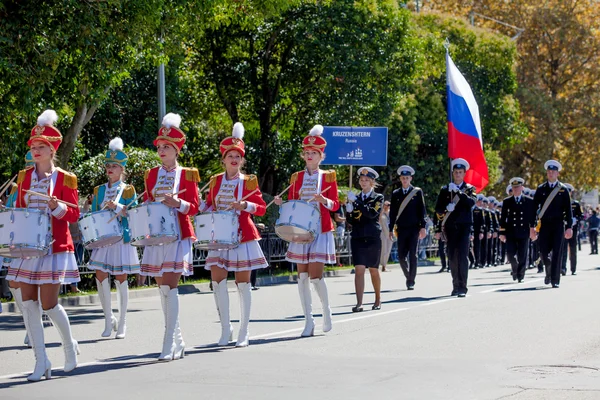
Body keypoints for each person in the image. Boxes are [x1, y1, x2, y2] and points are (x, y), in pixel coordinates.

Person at [6, 110, 80, 381]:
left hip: (54, 247)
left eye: (41, 147)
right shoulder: (23, 178)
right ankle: (42, 361)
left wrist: (56, 206)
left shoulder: (65, 179)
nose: (36, 151)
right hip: (27, 249)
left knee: (48, 304)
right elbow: (19, 210)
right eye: (33, 147)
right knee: (28, 304)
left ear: (52, 150)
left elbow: (73, 214)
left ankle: (69, 345)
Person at [201, 122, 268, 348]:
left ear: (242, 160)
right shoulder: (214, 181)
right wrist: (203, 208)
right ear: (223, 159)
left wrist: (245, 205)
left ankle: (244, 330)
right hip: (218, 238)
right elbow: (210, 204)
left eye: (237, 156)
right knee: (218, 283)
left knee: (242, 284)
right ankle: (225, 328)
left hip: (242, 236)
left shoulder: (249, 181)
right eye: (229, 155)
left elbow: (261, 208)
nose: (233, 159)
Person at [140, 113, 199, 360]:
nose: (162, 150)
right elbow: (146, 200)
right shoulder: (151, 174)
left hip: (177, 234)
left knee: (170, 286)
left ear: (176, 150)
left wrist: (178, 203)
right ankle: (178, 340)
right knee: (161, 288)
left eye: (167, 147)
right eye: (160, 147)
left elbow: (195, 206)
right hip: (156, 235)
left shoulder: (188, 174)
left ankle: (168, 343)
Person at [274, 124, 339, 337]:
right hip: (300, 229)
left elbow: (336, 205)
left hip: (320, 228)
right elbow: (292, 202)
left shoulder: (329, 176)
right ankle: (308, 321)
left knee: (315, 276)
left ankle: (326, 312)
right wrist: (280, 202)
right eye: (307, 153)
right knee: (301, 277)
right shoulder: (296, 177)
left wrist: (324, 200)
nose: (310, 156)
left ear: (322, 156)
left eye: (314, 153)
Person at [87, 138, 140, 339]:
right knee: (100, 276)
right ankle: (109, 319)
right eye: (108, 166)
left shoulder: (128, 190)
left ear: (121, 169)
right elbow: (93, 213)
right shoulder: (99, 190)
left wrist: (116, 207)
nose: (110, 169)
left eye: (114, 166)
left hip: (121, 238)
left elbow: (133, 213)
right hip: (103, 239)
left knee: (121, 278)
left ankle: (123, 322)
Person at [434, 158, 476, 297]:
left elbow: (471, 203)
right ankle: (455, 285)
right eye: (456, 172)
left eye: (460, 172)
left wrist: (458, 193)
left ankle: (463, 287)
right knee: (452, 256)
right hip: (450, 226)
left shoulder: (470, 189)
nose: (458, 174)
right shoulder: (445, 189)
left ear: (464, 173)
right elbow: (438, 209)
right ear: (452, 173)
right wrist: (446, 208)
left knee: (462, 256)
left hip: (464, 227)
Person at [345, 167, 384, 311]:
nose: (363, 182)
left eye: (367, 180)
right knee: (359, 269)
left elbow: (372, 214)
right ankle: (359, 303)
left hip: (372, 237)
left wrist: (357, 202)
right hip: (358, 237)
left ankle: (378, 299)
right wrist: (348, 211)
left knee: (373, 269)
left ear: (372, 182)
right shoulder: (355, 197)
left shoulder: (377, 198)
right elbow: (352, 220)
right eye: (361, 180)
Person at [531, 160, 573, 288]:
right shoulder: (541, 189)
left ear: (557, 173)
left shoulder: (563, 190)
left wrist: (569, 227)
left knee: (557, 251)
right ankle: (548, 269)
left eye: (553, 171)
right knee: (544, 251)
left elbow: (568, 210)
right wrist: (532, 226)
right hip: (544, 224)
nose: (551, 173)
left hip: (558, 224)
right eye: (549, 171)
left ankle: (555, 279)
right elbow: (534, 208)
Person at [388, 165, 427, 290]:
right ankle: (408, 276)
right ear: (400, 179)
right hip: (402, 228)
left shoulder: (417, 192)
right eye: (403, 178)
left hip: (414, 228)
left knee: (413, 255)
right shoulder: (396, 193)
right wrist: (390, 228)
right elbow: (393, 212)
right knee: (400, 256)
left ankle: (411, 280)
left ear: (411, 178)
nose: (405, 180)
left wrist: (423, 226)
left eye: (407, 178)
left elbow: (422, 210)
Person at [499, 178, 535, 283]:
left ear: (522, 188)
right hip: (511, 231)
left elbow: (532, 217)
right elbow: (503, 218)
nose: (515, 189)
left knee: (522, 255)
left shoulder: (528, 201)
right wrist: (502, 232)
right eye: (514, 187)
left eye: (517, 187)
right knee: (510, 254)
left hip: (524, 231)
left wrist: (532, 229)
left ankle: (520, 275)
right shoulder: (507, 201)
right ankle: (514, 269)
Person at [560, 183, 583, 275]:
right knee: (563, 249)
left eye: (569, 191)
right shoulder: (560, 203)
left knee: (573, 250)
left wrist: (576, 219)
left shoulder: (575, 204)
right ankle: (563, 268)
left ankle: (573, 268)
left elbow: (581, 215)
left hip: (573, 230)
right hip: (563, 229)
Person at [472, 194, 487, 268]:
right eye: (479, 201)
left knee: (477, 247)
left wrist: (481, 232)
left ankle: (477, 262)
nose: (480, 203)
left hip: (477, 231)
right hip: (470, 230)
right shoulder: (470, 209)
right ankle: (472, 261)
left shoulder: (480, 210)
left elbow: (482, 222)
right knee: (471, 247)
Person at [379, 201, 393, 272]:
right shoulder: (381, 213)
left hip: (390, 233)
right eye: (386, 205)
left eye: (388, 205)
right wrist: (382, 210)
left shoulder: (391, 213)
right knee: (383, 249)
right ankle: (383, 266)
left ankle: (385, 265)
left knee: (388, 250)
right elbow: (378, 220)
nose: (387, 206)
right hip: (383, 233)